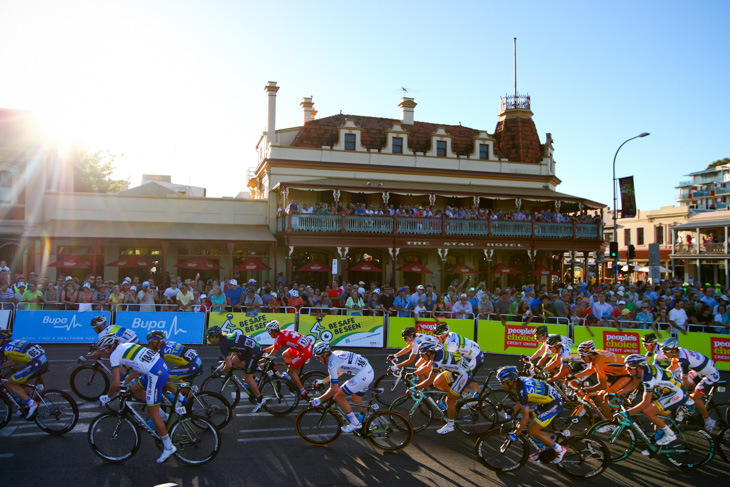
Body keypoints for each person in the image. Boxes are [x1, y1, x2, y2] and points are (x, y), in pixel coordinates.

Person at [97, 335, 176, 463]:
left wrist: (108, 397)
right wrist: (126, 383)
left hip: (155, 374)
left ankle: (168, 447)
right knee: (135, 389)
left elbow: (115, 383)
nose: (102, 353)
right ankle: (164, 416)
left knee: (153, 414)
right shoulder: (125, 346)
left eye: (102, 350)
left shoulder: (113, 356)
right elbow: (136, 369)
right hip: (160, 366)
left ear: (107, 348)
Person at [497, 365, 567, 463]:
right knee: (532, 421)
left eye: (502, 382)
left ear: (511, 381)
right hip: (546, 401)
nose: (501, 385)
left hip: (554, 403)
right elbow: (523, 401)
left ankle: (559, 449)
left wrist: (516, 434)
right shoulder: (519, 381)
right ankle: (543, 448)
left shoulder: (521, 390)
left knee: (532, 429)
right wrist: (513, 411)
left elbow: (524, 417)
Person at [621, 354, 688, 445]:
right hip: (670, 391)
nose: (626, 370)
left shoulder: (648, 378)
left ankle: (670, 435)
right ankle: (657, 447)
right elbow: (634, 384)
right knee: (658, 423)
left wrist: (627, 413)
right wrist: (615, 394)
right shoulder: (643, 370)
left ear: (639, 367)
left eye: (629, 368)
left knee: (648, 411)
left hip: (677, 393)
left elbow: (645, 402)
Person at [656, 337, 720, 431]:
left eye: (665, 352)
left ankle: (709, 421)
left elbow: (684, 383)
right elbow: (673, 366)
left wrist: (669, 387)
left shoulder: (683, 361)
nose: (663, 354)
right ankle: (689, 409)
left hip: (710, 374)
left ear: (673, 350)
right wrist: (662, 377)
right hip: (699, 371)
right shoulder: (678, 352)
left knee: (693, 397)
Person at [309, 342, 374, 432]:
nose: (317, 359)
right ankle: (371, 422)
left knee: (338, 396)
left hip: (363, 375)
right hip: (368, 371)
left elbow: (334, 388)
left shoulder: (332, 363)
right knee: (356, 400)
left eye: (318, 356)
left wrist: (319, 400)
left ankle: (355, 423)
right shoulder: (335, 354)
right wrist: (323, 381)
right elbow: (340, 371)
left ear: (324, 354)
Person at [411, 340, 471, 434]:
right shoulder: (436, 353)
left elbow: (429, 380)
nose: (420, 356)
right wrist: (414, 373)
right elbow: (427, 369)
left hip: (463, 374)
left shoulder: (437, 360)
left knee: (449, 400)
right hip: (455, 369)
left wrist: (415, 388)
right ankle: (456, 394)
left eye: (422, 354)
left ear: (429, 353)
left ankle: (450, 425)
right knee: (437, 382)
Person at [571, 341, 639, 418]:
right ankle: (613, 411)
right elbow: (590, 370)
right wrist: (574, 376)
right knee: (602, 395)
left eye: (583, 356)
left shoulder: (599, 362)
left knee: (603, 396)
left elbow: (602, 385)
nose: (581, 358)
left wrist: (585, 389)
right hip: (615, 374)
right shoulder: (596, 354)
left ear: (590, 354)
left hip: (626, 374)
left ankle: (612, 422)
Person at [0, 329, 48, 418]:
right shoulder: (15, 342)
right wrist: (4, 366)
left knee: (10, 383)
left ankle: (31, 403)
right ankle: (27, 404)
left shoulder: (2, 349)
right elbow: (16, 360)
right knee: (21, 380)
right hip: (43, 361)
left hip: (36, 364)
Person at [146, 330, 202, 402]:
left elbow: (160, 368)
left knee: (163, 376)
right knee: (184, 390)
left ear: (157, 341)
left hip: (192, 366)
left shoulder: (162, 351)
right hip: (197, 363)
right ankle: (189, 409)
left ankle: (180, 399)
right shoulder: (169, 343)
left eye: (151, 342)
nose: (150, 345)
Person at [263, 320, 312, 398]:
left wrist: (261, 361)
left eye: (270, 333)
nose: (269, 335)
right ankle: (293, 373)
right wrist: (264, 350)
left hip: (304, 351)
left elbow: (272, 354)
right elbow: (276, 345)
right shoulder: (282, 332)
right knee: (285, 355)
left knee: (290, 371)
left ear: (273, 331)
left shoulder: (279, 338)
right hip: (304, 346)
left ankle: (303, 391)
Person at [434, 321, 484, 396]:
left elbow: (449, 361)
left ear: (443, 336)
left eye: (437, 336)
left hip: (476, 358)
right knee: (467, 376)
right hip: (474, 352)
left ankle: (469, 396)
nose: (436, 338)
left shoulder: (452, 346)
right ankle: (479, 396)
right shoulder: (451, 334)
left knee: (462, 375)